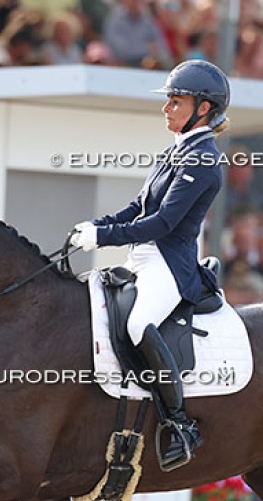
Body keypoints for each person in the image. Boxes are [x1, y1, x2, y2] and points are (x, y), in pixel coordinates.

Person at [69, 59, 229, 471]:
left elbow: (162, 224)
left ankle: (180, 424)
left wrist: (102, 239)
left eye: (176, 101)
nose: (167, 108)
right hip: (142, 257)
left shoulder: (202, 159)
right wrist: (96, 225)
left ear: (204, 108)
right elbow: (138, 207)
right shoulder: (176, 150)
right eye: (169, 100)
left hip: (169, 265)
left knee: (139, 324)